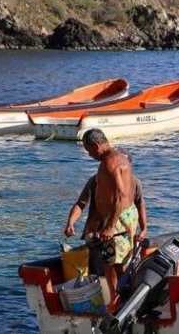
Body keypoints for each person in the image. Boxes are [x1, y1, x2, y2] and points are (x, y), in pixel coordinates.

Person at [63, 150, 148, 275]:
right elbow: (81, 203)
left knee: (119, 264)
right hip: (96, 231)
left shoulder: (134, 183)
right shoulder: (95, 181)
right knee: (100, 264)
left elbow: (140, 203)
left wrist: (144, 227)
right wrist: (71, 223)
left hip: (121, 233)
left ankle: (117, 289)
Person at [81, 128, 139, 304]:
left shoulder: (109, 162)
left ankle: (115, 301)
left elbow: (120, 195)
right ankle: (124, 297)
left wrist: (110, 226)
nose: (90, 155)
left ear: (96, 145)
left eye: (89, 150)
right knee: (121, 262)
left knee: (110, 263)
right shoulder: (119, 157)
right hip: (126, 215)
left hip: (118, 219)